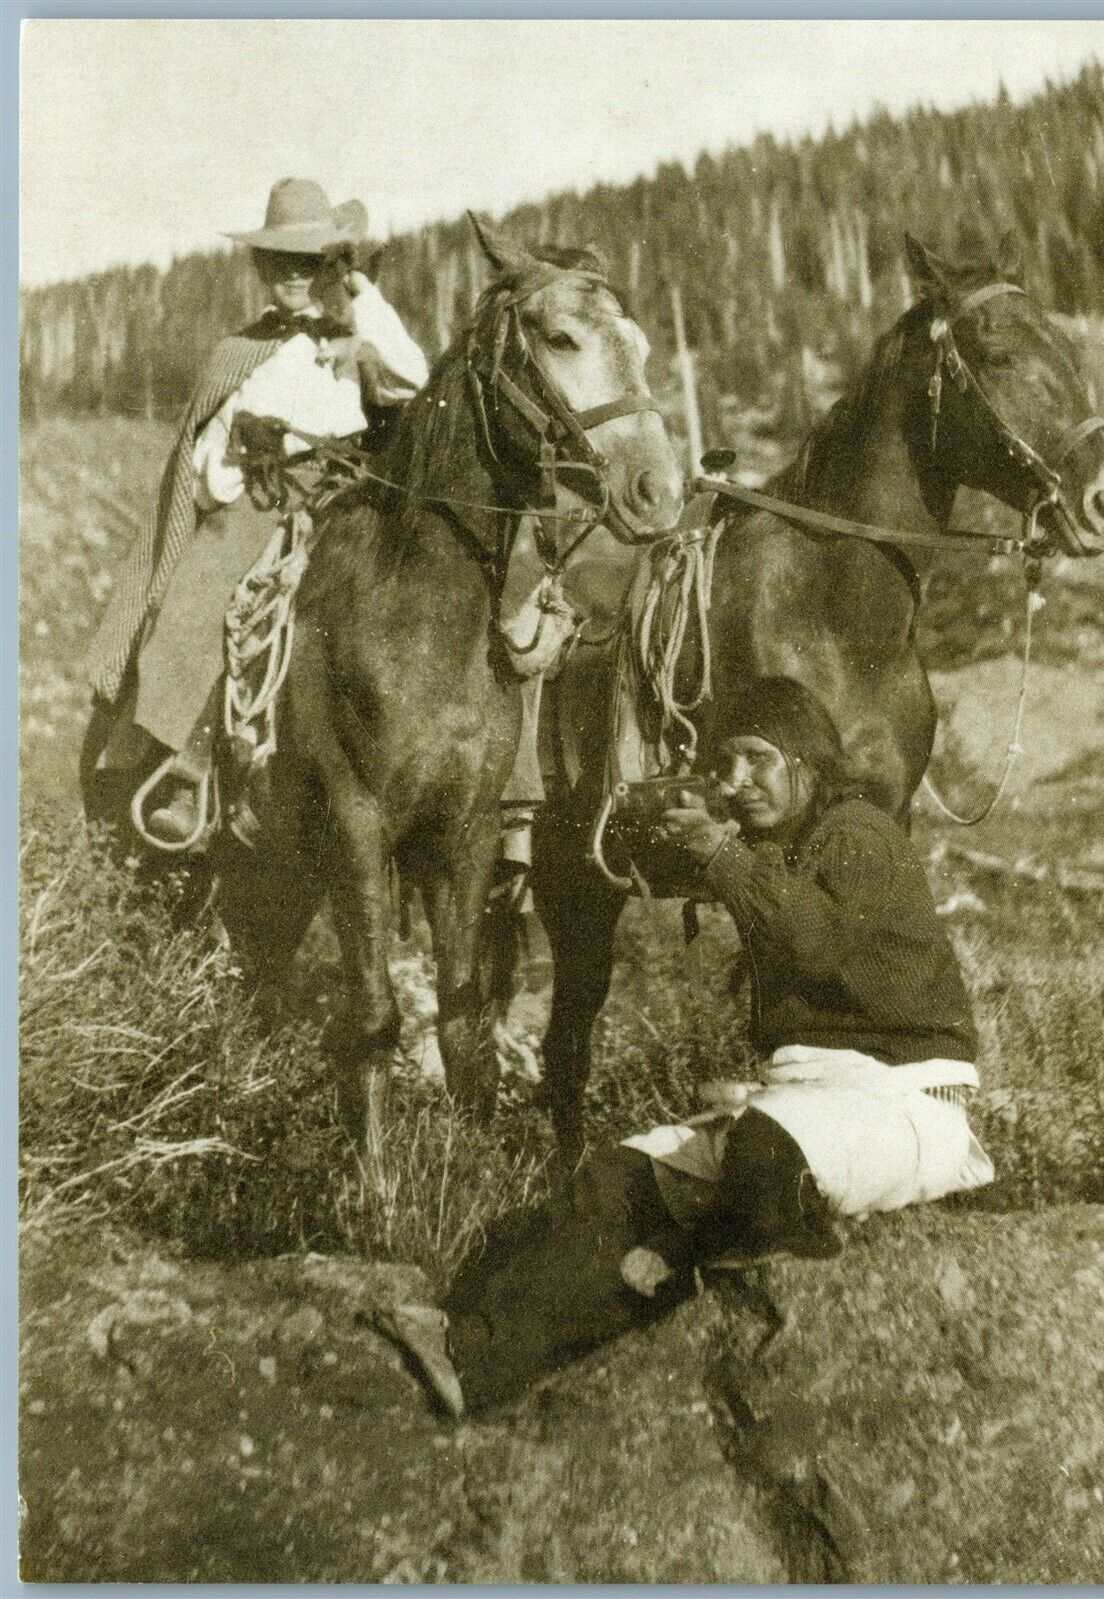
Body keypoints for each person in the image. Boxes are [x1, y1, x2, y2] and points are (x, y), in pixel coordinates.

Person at [373, 676, 994, 1418]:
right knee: (614, 1179)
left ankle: (678, 1263)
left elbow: (809, 940)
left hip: (906, 1095)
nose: (735, 783)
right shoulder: (784, 844)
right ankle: (474, 1361)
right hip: (813, 1095)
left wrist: (717, 850)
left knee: (762, 1153)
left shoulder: (858, 830)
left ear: (805, 760)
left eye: (755, 760)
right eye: (724, 764)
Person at [87, 178, 429, 845]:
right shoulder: (238, 355)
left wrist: (357, 308)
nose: (295, 278)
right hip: (266, 496)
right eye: (280, 264)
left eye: (313, 263)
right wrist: (249, 452)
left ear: (333, 264)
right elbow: (205, 466)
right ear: (260, 268)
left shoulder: (358, 335)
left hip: (351, 493)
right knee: (202, 580)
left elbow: (413, 377)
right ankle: (185, 758)